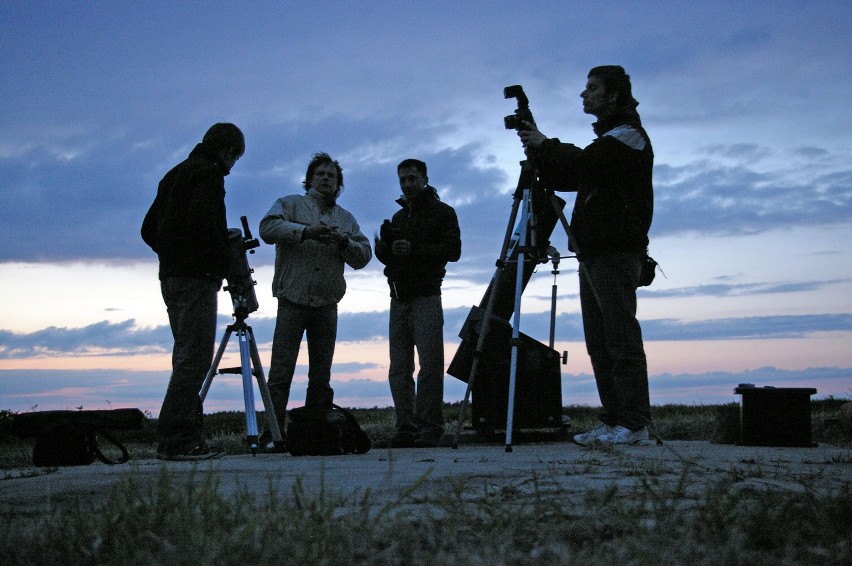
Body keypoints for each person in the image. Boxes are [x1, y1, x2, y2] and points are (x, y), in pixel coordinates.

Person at [518, 65, 654, 446]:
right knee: (600, 341)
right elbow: (569, 176)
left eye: (592, 88)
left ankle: (634, 423)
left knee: (620, 338)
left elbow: (583, 165)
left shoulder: (629, 136)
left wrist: (545, 144)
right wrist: (540, 149)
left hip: (615, 252)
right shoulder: (612, 138)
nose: (583, 94)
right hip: (593, 254)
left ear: (613, 96)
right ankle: (615, 420)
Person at [141, 122, 245, 460]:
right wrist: (219, 261)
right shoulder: (209, 173)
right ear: (228, 151)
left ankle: (188, 437)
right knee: (195, 358)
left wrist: (172, 253)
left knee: (186, 354)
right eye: (235, 159)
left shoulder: (174, 174)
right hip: (196, 277)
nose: (232, 167)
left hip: (171, 277)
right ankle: (177, 440)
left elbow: (148, 229)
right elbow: (203, 223)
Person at [259, 152, 371, 443]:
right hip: (292, 300)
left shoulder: (346, 219)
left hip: (327, 304)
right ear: (309, 179)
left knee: (321, 375)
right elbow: (267, 228)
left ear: (339, 184)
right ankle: (272, 433)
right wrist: (306, 232)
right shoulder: (289, 204)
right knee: (281, 372)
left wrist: (343, 241)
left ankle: (317, 434)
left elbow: (363, 256)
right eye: (320, 174)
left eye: (331, 176)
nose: (325, 179)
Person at [374, 159, 461, 447]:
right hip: (398, 297)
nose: (407, 183)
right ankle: (406, 428)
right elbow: (394, 258)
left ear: (424, 178)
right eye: (403, 179)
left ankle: (429, 428)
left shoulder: (443, 212)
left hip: (426, 296)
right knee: (398, 368)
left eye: (412, 178)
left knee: (430, 365)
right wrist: (384, 249)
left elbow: (453, 250)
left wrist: (414, 249)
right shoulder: (398, 219)